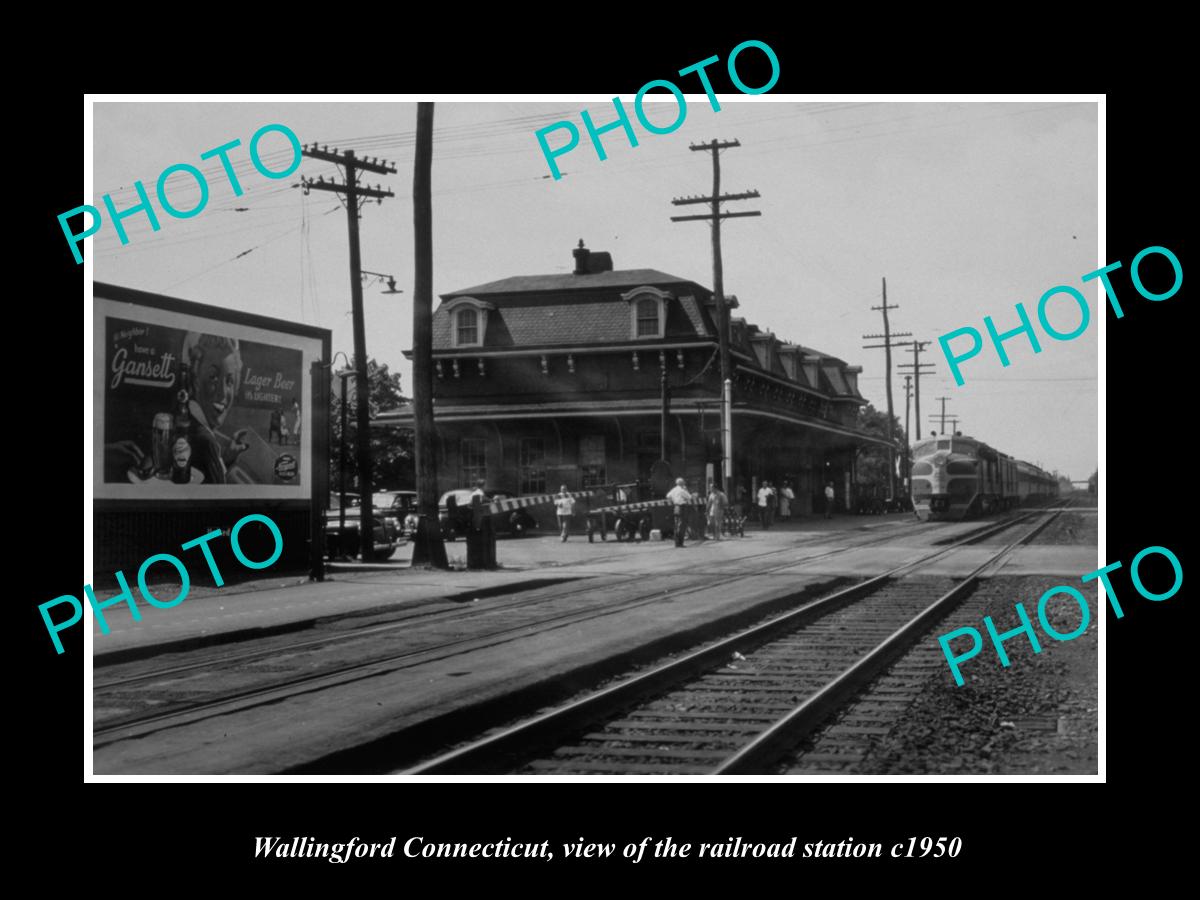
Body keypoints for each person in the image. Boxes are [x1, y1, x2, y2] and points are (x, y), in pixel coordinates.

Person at [665, 477, 693, 548]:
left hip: (676, 507)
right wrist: (686, 489)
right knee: (682, 526)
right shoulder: (682, 490)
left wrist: (673, 500)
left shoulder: (674, 489)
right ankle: (680, 543)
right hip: (682, 507)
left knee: (677, 525)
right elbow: (689, 497)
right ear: (682, 483)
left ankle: (676, 543)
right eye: (683, 482)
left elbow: (668, 496)